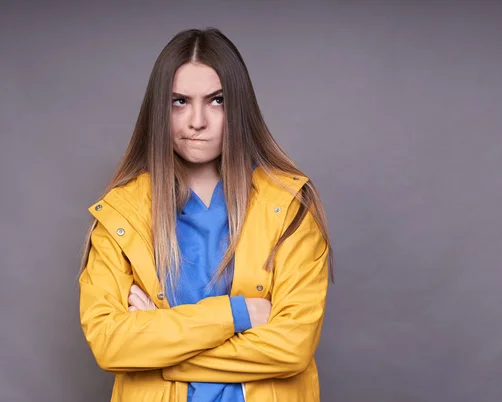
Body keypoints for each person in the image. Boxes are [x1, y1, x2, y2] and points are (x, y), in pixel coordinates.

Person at [78, 28, 333, 402]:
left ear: (239, 106)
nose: (196, 121)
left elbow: (292, 346)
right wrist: (238, 314)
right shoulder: (122, 214)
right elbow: (110, 343)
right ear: (159, 110)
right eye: (179, 101)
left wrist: (158, 348)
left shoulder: (289, 207)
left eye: (216, 100)